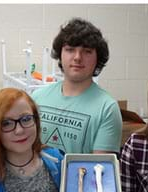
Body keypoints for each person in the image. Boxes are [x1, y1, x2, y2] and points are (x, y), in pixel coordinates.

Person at [32, 18, 122, 154]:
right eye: (70, 49)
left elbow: (99, 169)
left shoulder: (107, 109)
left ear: (98, 58)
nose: (77, 57)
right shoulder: (37, 98)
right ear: (60, 54)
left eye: (87, 51)